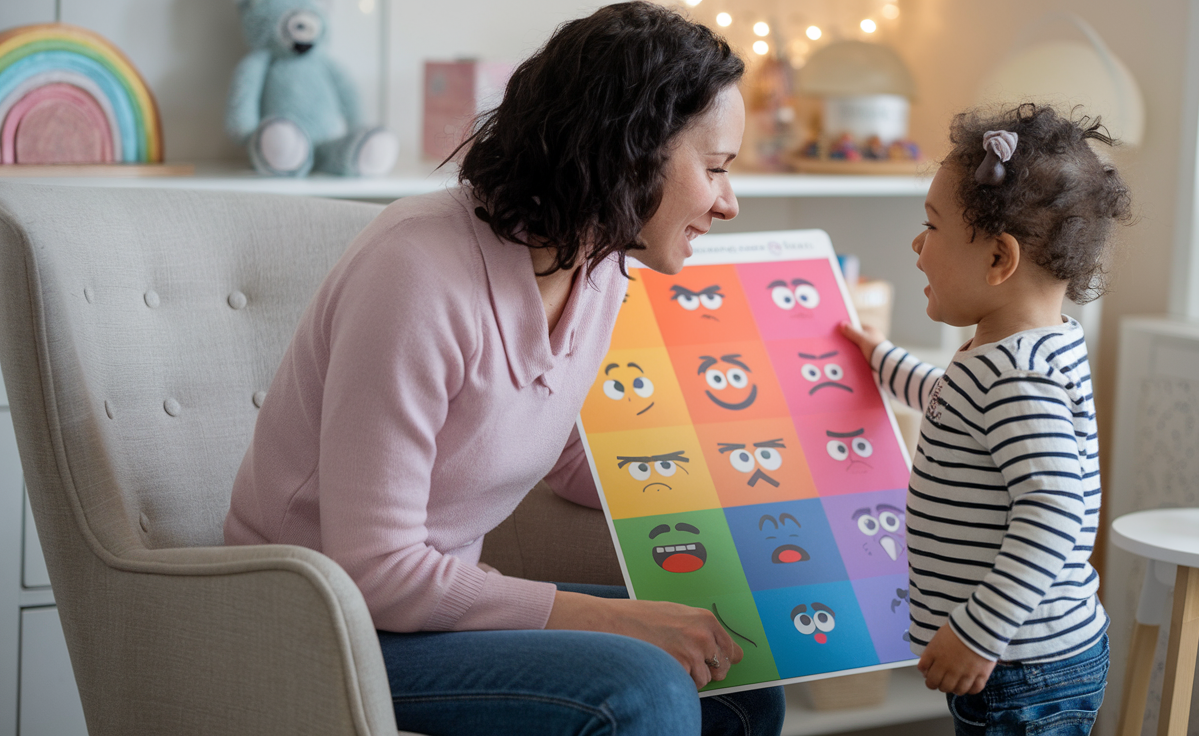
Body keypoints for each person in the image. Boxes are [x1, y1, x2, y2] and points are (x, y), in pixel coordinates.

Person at [224, 3, 785, 734]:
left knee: (740, 680)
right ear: (630, 150)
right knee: (642, 688)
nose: (728, 203)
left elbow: (568, 460)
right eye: (714, 169)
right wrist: (615, 619)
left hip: (423, 608)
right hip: (315, 618)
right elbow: (375, 570)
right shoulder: (417, 272)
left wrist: (757, 486)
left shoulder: (600, 267)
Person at [842, 103, 1132, 735]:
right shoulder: (1015, 353)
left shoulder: (1017, 377)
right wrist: (881, 362)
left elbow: (1054, 513)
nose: (917, 246)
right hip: (1023, 658)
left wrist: (978, 633)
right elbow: (951, 402)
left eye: (931, 227)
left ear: (1000, 259)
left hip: (1022, 664)